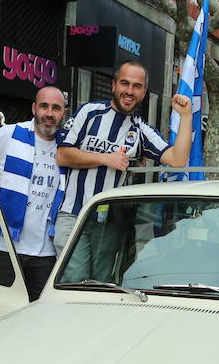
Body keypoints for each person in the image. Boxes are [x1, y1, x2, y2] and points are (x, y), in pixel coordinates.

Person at [55, 61, 194, 258]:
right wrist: (105, 159)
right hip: (73, 215)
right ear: (114, 85)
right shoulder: (89, 112)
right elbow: (63, 155)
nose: (129, 91)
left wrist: (186, 116)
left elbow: (178, 159)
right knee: (71, 279)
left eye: (136, 86)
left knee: (101, 284)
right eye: (124, 83)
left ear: (144, 92)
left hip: (109, 222)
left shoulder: (141, 130)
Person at [0, 86, 68, 301]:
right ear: (34, 108)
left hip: (44, 252)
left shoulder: (68, 149)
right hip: (1, 246)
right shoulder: (8, 134)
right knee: (0, 315)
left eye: (56, 108)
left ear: (63, 113)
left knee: (39, 318)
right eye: (44, 106)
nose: (49, 113)